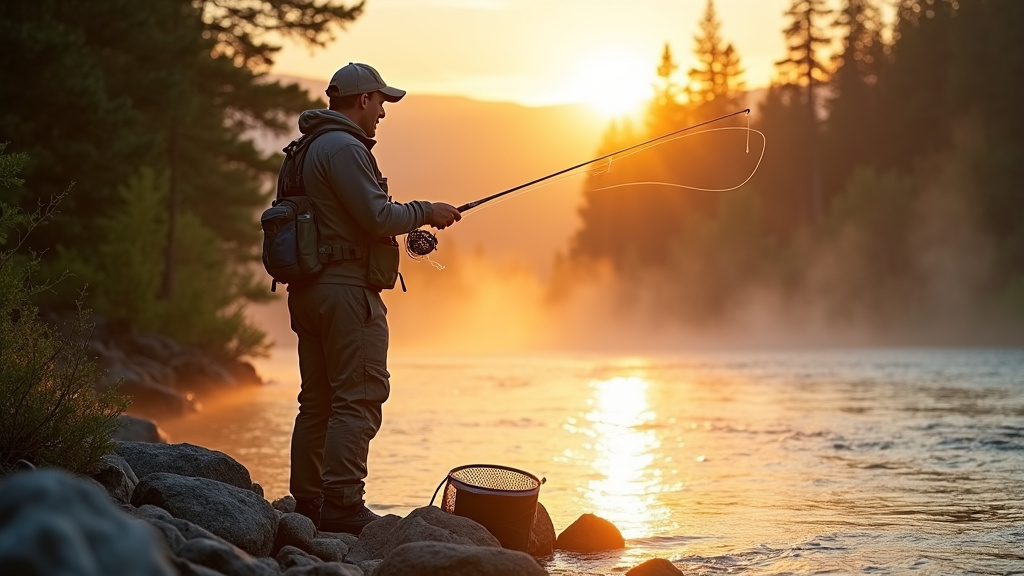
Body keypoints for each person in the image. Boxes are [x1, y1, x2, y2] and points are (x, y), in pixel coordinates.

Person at [285, 62, 461, 534]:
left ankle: (308, 505)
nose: (383, 113)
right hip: (344, 293)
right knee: (357, 398)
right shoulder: (343, 147)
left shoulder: (307, 148)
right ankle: (342, 506)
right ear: (363, 100)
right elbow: (378, 217)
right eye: (381, 102)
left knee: (317, 401)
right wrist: (428, 210)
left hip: (309, 291)